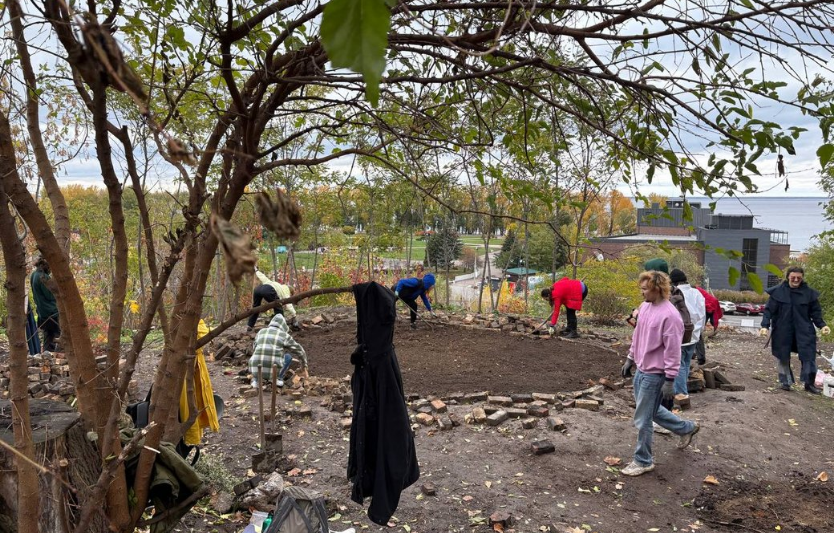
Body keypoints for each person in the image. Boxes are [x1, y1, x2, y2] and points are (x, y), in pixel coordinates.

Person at [620, 271, 700, 477]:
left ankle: (643, 460)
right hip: (642, 368)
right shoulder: (645, 307)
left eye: (645, 289)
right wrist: (630, 358)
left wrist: (670, 379)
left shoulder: (670, 316)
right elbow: (638, 335)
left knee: (643, 418)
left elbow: (674, 350)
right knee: (650, 411)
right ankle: (686, 428)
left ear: (657, 289)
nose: (642, 292)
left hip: (656, 374)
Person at [759, 266, 830, 393]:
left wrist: (822, 325)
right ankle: (785, 382)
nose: (796, 280)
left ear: (802, 278)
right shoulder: (777, 292)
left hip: (804, 330)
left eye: (799, 278)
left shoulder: (809, 293)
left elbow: (816, 313)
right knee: (782, 356)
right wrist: (764, 326)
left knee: (809, 356)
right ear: (788, 277)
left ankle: (809, 384)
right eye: (793, 277)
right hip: (782, 330)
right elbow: (768, 311)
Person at [249, 307, 308, 389]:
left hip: (255, 369)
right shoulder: (284, 335)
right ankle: (277, 379)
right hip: (274, 370)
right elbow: (300, 350)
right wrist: (304, 366)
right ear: (283, 326)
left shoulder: (261, 331)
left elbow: (254, 348)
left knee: (258, 355)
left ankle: (256, 380)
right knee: (288, 357)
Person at [669, 269, 706, 398]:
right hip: (694, 335)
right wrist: (698, 332)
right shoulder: (697, 293)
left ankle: (680, 394)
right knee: (685, 363)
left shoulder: (674, 295)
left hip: (680, 335)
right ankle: (682, 390)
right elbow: (702, 315)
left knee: (679, 365)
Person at [30, 257, 60, 352]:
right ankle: (57, 356)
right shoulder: (43, 277)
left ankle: (47, 358)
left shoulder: (34, 275)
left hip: (42, 311)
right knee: (58, 335)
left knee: (48, 335)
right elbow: (50, 296)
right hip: (52, 311)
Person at [694, 286, 723, 365]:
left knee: (696, 333)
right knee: (696, 333)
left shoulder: (691, 291)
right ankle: (696, 355)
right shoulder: (694, 289)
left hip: (707, 307)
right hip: (708, 307)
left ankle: (700, 358)